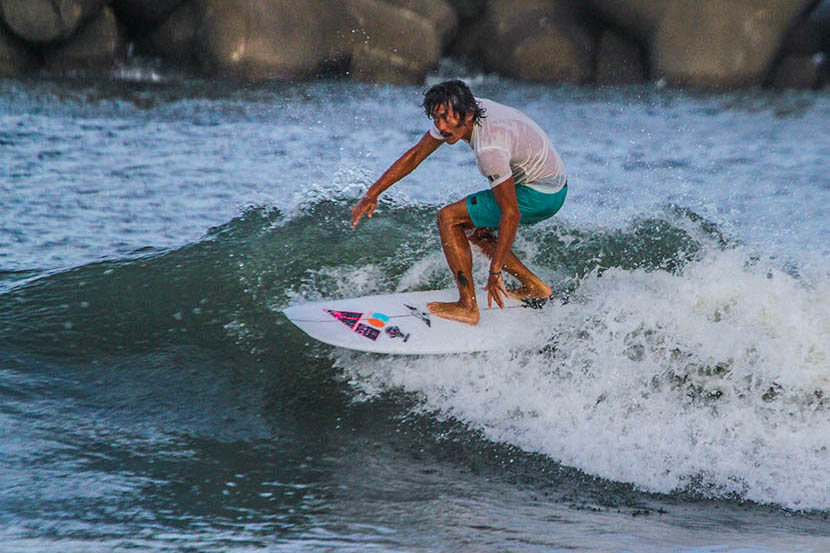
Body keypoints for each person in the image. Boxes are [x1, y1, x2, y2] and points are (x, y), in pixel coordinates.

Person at [351, 80, 567, 325]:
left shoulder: (490, 148)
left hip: (540, 194)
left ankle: (467, 307)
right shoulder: (463, 111)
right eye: (435, 119)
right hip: (554, 186)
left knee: (449, 218)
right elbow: (416, 154)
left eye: (445, 118)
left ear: (468, 114)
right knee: (472, 227)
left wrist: (494, 270)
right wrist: (373, 193)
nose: (440, 127)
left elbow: (511, 213)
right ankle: (535, 287)